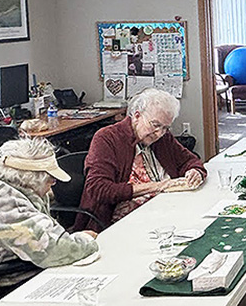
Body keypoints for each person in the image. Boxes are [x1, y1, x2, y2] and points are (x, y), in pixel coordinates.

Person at [0, 138, 99, 305]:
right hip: (0, 285)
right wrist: (85, 240)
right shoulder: (4, 203)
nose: (53, 184)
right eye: (51, 179)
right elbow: (55, 250)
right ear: (32, 178)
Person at [75, 88, 205, 232]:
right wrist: (159, 186)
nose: (160, 133)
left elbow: (189, 160)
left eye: (165, 128)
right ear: (137, 116)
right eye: (156, 125)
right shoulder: (107, 138)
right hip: (123, 223)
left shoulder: (162, 137)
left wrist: (195, 171)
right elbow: (98, 189)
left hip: (165, 209)